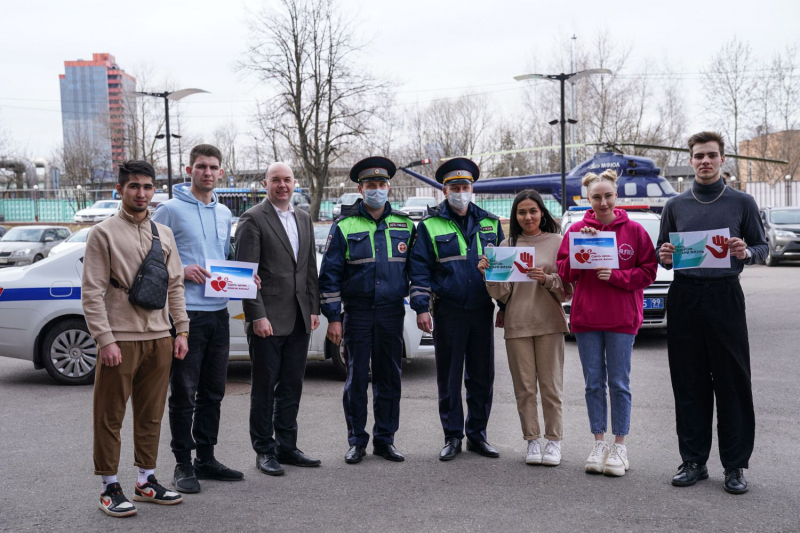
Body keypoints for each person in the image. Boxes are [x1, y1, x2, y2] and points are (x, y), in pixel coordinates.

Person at [657, 131, 767, 494]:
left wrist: (745, 251)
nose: (705, 161)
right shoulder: (675, 206)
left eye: (712, 155)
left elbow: (762, 247)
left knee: (733, 382)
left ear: (722, 160)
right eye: (699, 156)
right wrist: (666, 256)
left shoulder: (742, 202)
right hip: (685, 296)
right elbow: (663, 251)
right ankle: (693, 461)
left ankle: (735, 465)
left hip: (724, 296)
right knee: (688, 381)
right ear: (690, 161)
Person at [82, 160, 188, 517]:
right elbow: (92, 293)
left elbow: (174, 286)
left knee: (151, 413)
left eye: (147, 187)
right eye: (133, 187)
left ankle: (146, 479)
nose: (141, 193)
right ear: (120, 190)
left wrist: (182, 329)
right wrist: (104, 339)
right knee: (109, 416)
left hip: (160, 337)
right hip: (120, 340)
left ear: (154, 190)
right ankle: (109, 486)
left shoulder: (164, 233)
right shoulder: (103, 233)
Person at [153, 144, 253, 493]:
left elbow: (222, 258)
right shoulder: (169, 210)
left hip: (218, 313)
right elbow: (151, 259)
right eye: (200, 166)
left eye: (213, 167)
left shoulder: (224, 213)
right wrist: (180, 270)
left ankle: (206, 458)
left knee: (213, 391)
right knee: (184, 391)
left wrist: (244, 278)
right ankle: (182, 463)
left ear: (221, 172)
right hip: (185, 315)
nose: (207, 172)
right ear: (188, 169)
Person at [557, 169, 657, 477]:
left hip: (621, 318)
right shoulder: (576, 231)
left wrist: (618, 276)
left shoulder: (635, 231)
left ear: (617, 196)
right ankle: (598, 441)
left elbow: (649, 271)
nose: (603, 202)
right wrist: (580, 252)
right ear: (587, 199)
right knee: (593, 383)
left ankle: (620, 445)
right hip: (587, 318)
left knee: (619, 383)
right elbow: (564, 272)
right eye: (596, 197)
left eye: (608, 196)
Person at [319, 156, 415, 464]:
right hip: (357, 313)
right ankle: (357, 440)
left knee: (390, 378)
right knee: (356, 379)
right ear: (361, 189)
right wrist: (334, 317)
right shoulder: (344, 226)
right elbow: (329, 276)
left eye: (381, 184)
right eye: (370, 185)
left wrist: (424, 305)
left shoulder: (405, 224)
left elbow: (418, 269)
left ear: (389, 188)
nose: (376, 189)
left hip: (391, 313)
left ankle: (385, 439)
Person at [408, 157, 505, 461]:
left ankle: (478, 435)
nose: (460, 191)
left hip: (480, 310)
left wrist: (504, 305)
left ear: (472, 188)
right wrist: (421, 307)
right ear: (444, 190)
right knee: (449, 378)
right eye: (454, 187)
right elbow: (419, 269)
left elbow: (501, 269)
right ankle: (453, 436)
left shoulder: (490, 222)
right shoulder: (429, 225)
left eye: (465, 186)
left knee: (481, 377)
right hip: (448, 311)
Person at [235, 161, 321, 476]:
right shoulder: (253, 219)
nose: (282, 185)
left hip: (300, 318)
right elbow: (247, 273)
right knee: (264, 388)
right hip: (267, 321)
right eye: (275, 180)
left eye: (287, 180)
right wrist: (257, 315)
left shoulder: (304, 218)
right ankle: (264, 450)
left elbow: (309, 268)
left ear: (294, 183)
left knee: (291, 386)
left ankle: (287, 446)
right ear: (265, 183)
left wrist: (314, 308)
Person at [478, 190, 572, 466]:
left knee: (551, 387)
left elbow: (568, 289)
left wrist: (547, 279)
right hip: (517, 324)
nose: (528, 216)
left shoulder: (558, 242)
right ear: (515, 216)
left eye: (533, 210)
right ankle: (532, 440)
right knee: (525, 389)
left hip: (550, 323)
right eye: (522, 212)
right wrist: (489, 274)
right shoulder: (507, 245)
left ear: (542, 212)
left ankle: (554, 442)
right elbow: (502, 294)